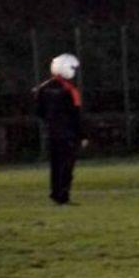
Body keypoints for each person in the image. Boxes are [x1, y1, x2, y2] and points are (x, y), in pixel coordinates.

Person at [33, 54, 87, 205]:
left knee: (55, 165)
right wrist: (82, 135)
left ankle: (56, 193)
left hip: (52, 132)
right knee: (67, 166)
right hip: (68, 134)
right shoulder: (70, 90)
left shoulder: (42, 89)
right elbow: (76, 115)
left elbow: (39, 112)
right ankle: (63, 196)